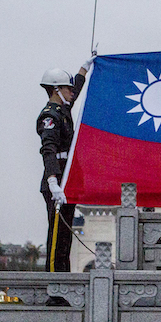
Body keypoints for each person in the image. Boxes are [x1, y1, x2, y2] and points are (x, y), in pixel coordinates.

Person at [38, 55, 94, 272]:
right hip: (56, 180)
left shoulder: (63, 111)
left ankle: (64, 280)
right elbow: (48, 150)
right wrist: (53, 181)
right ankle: (54, 281)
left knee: (65, 237)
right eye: (67, 89)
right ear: (56, 90)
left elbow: (76, 90)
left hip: (67, 179)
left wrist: (84, 70)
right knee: (56, 235)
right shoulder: (49, 116)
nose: (72, 92)